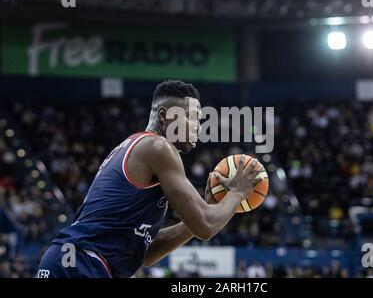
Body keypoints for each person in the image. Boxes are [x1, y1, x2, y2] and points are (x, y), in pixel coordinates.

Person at [37, 80, 261, 278]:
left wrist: (203, 214)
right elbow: (206, 226)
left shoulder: (134, 147)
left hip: (70, 260)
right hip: (82, 263)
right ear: (164, 116)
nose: (198, 127)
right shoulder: (158, 147)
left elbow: (146, 253)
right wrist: (238, 193)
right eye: (192, 117)